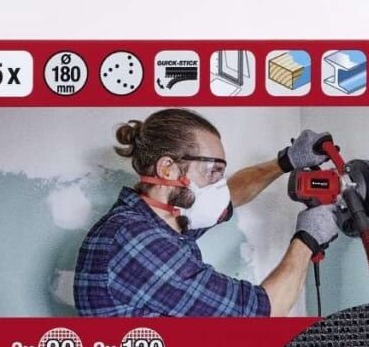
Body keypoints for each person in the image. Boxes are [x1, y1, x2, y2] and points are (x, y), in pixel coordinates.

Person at [74, 109, 338, 317]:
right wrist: (308, 238)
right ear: (167, 169)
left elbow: (233, 193)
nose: (218, 186)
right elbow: (263, 311)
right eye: (212, 171)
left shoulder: (160, 219)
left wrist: (287, 160)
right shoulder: (138, 240)